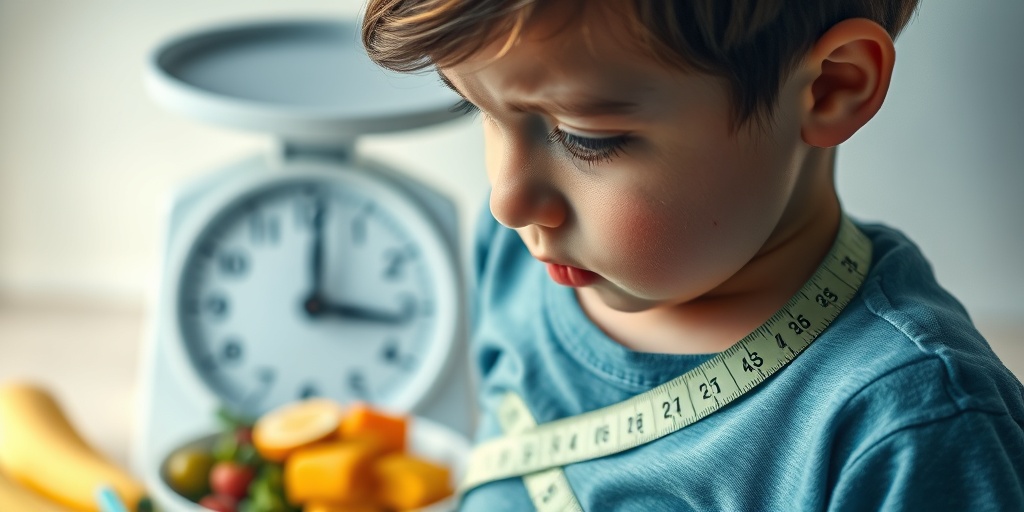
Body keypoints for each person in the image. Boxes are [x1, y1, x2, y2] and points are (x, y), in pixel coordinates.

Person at [361, 1, 1024, 510]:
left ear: (831, 88)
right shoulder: (513, 260)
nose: (508, 200)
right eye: (477, 106)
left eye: (585, 138)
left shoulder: (911, 428)